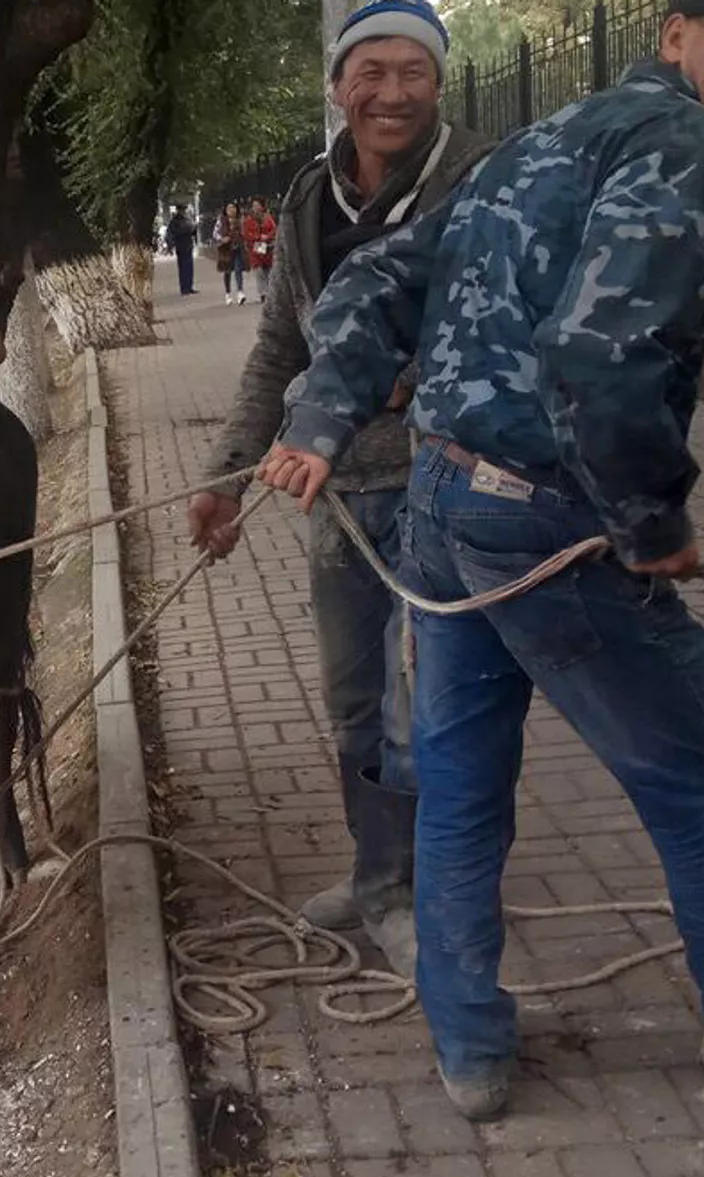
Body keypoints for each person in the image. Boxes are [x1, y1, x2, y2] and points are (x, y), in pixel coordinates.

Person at [255, 0, 704, 1121]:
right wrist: (653, 527)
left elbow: (375, 282)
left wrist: (320, 421)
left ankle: (469, 1050)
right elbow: (604, 354)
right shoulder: (678, 140)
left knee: (459, 783)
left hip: (440, 501)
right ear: (678, 36)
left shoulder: (544, 138)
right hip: (549, 526)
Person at [187, 0, 492, 978]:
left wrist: (412, 375)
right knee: (355, 700)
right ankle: (374, 872)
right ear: (338, 88)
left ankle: (416, 891)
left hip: (447, 490)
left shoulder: (481, 184)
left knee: (425, 711)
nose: (392, 93)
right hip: (337, 499)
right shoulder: (308, 201)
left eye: (414, 72)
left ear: (439, 84)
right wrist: (227, 475)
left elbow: (521, 333)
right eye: (372, 73)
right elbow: (279, 348)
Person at [241, 197, 278, 302]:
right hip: (255, 246)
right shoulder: (248, 220)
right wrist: (258, 237)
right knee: (259, 270)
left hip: (267, 245)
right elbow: (246, 234)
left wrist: (267, 237)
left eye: (258, 205)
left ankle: (270, 291)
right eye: (254, 206)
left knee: (268, 269)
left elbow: (274, 229)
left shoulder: (268, 217)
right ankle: (263, 293)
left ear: (262, 206)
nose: (256, 207)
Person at [215, 201, 247, 304]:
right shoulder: (221, 220)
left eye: (233, 207)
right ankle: (228, 294)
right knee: (227, 271)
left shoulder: (240, 219)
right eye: (229, 208)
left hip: (237, 248)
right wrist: (222, 238)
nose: (231, 210)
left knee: (238, 269)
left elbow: (244, 232)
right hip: (226, 249)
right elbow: (215, 233)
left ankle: (240, 292)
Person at [168, 204, 199, 295]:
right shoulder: (175, 221)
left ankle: (189, 287)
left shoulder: (187, 219)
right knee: (183, 268)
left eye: (184, 210)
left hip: (188, 245)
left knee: (189, 267)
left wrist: (194, 228)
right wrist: (188, 229)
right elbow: (175, 232)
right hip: (181, 245)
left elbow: (192, 232)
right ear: (178, 210)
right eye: (181, 210)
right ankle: (184, 288)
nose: (183, 212)